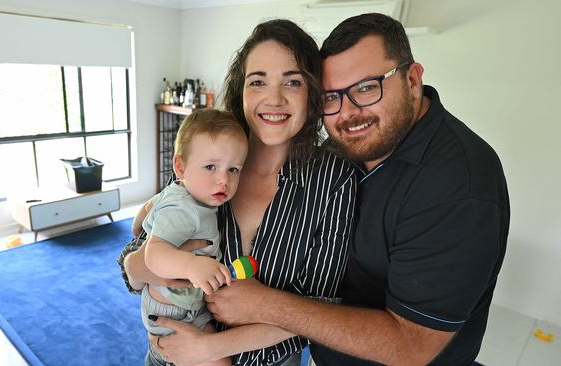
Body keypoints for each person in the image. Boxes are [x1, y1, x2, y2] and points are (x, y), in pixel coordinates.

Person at [201, 13, 510, 366]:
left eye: (366, 87)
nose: (349, 113)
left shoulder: (459, 185)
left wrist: (261, 306)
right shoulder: (351, 151)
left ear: (412, 80)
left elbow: (412, 346)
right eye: (332, 96)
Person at [120, 19, 357, 366]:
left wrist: (212, 349)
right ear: (241, 91)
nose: (273, 98)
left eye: (292, 81)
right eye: (257, 81)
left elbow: (323, 308)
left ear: (312, 94)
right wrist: (143, 264)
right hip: (170, 353)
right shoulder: (210, 155)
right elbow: (131, 262)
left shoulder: (334, 179)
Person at [131, 108, 248, 366]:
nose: (223, 180)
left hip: (186, 303)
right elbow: (153, 254)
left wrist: (139, 224)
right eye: (210, 167)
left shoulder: (180, 192)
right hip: (173, 310)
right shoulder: (183, 209)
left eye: (234, 169)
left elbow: (146, 210)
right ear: (180, 166)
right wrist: (191, 265)